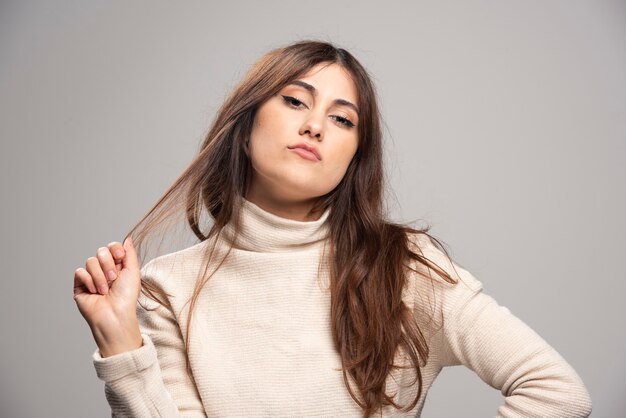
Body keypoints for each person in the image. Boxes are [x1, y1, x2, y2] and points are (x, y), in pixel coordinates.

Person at [72, 40, 592, 417]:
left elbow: (557, 393)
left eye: (343, 120)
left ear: (354, 157)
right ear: (246, 121)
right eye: (295, 101)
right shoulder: (167, 287)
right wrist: (121, 343)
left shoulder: (405, 265)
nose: (315, 125)